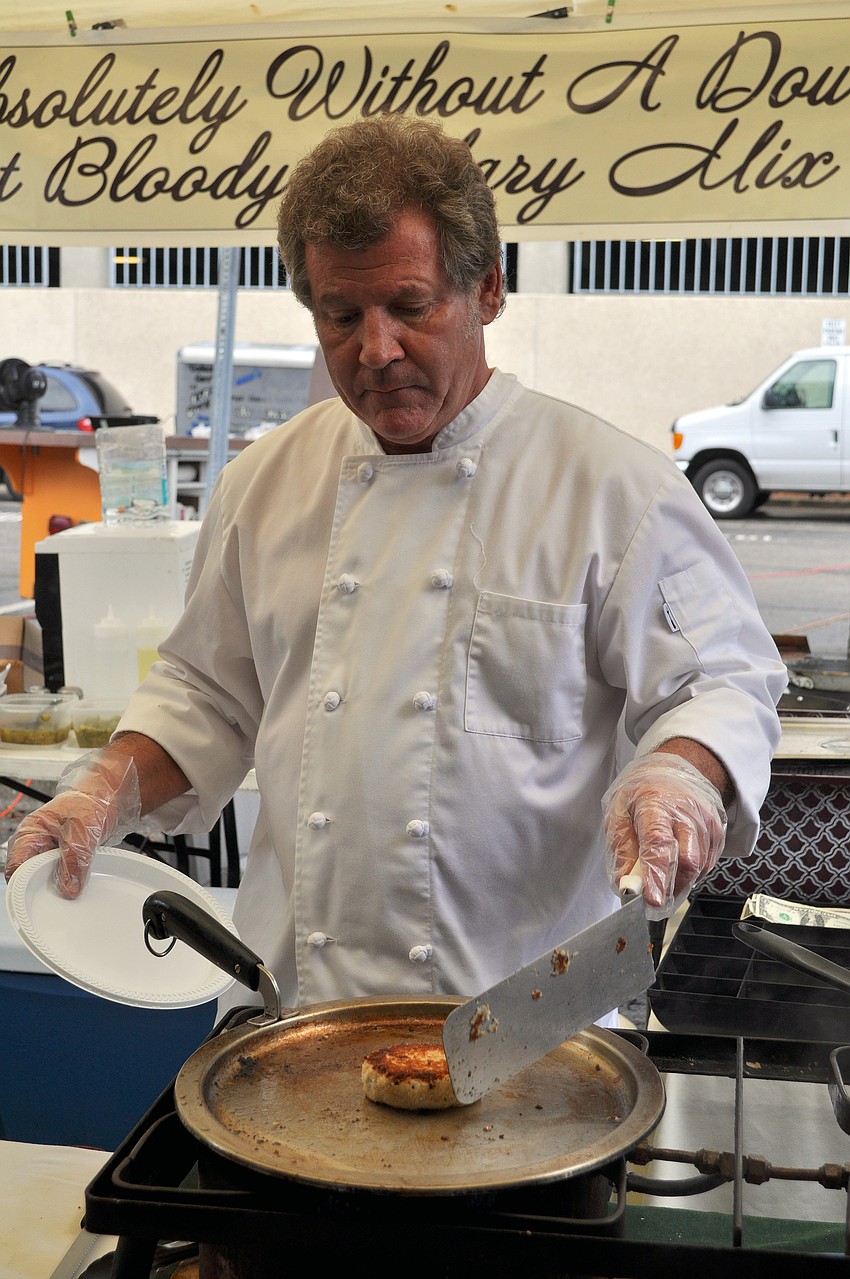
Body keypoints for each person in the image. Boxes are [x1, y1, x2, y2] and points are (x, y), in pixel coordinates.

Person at [5, 116, 785, 1014]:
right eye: (341, 316)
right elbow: (208, 695)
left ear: (488, 290)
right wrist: (106, 787)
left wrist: (678, 774)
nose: (376, 349)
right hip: (291, 1014)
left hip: (529, 1028)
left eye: (410, 306)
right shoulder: (263, 483)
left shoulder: (613, 486)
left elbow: (719, 681)